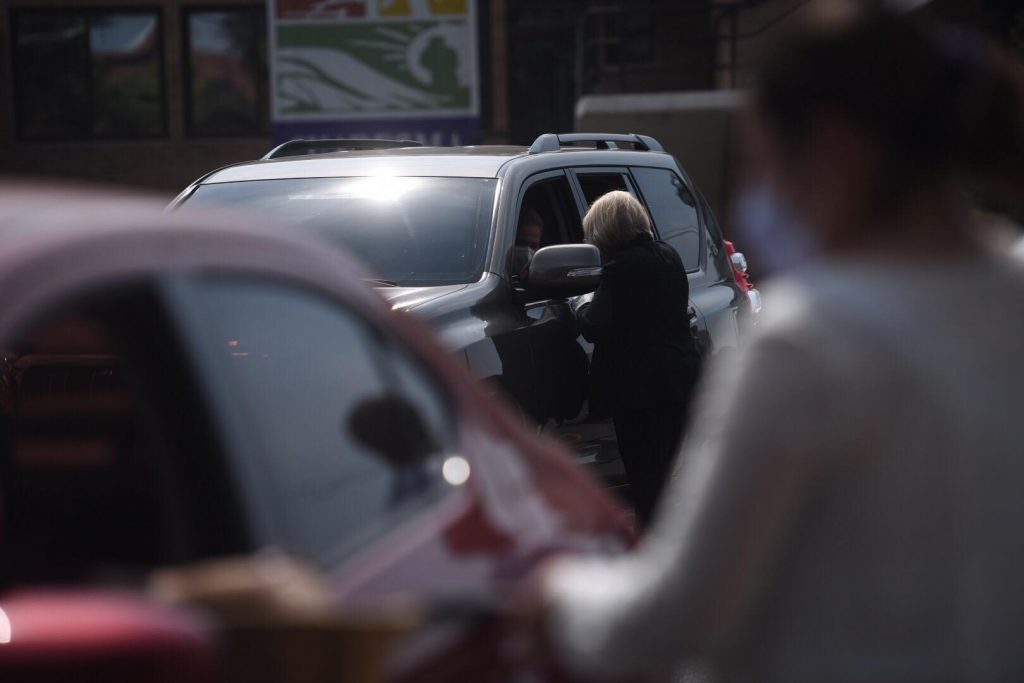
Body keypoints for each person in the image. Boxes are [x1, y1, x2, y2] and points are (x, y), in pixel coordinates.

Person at [528, 5, 1024, 682]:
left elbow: (668, 622)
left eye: (764, 163)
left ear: (832, 144)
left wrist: (555, 589)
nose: (762, 198)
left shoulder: (810, 341)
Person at [574, 190, 701, 527]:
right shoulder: (668, 256)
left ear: (604, 228)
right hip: (678, 382)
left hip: (640, 393)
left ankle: (654, 554)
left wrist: (581, 304)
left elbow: (592, 326)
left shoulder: (621, 268)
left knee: (645, 480)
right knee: (664, 478)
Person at [512, 209, 544, 282]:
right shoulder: (492, 279)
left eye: (533, 246)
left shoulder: (540, 281)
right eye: (521, 244)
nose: (527, 251)